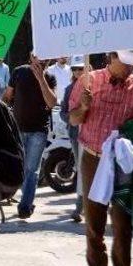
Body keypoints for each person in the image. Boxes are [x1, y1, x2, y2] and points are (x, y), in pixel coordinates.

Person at [69, 50, 133, 266]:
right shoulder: (88, 81)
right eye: (125, 64)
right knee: (93, 221)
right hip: (93, 158)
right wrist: (84, 106)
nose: (128, 69)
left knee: (122, 222)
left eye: (132, 65)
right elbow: (74, 120)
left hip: (121, 164)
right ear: (111, 57)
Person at [3, 54, 57, 219]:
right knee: (17, 166)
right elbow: (7, 97)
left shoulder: (50, 77)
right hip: (17, 129)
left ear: (49, 61)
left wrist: (41, 78)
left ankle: (25, 206)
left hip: (38, 131)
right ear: (31, 58)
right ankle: (14, 196)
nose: (41, 61)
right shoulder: (19, 72)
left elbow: (52, 103)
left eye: (45, 59)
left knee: (31, 170)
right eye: (38, 58)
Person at [59, 55, 85, 222]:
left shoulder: (95, 86)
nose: (77, 71)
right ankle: (79, 206)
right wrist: (72, 118)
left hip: (94, 134)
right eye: (74, 69)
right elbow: (62, 112)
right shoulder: (69, 89)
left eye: (80, 68)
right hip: (76, 134)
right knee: (81, 170)